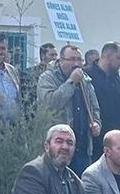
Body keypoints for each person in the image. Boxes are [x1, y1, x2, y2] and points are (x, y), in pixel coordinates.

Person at [38, 44, 101, 175]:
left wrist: (96, 123)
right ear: (61, 61)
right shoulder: (48, 78)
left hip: (82, 148)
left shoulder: (85, 80)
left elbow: (94, 108)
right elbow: (49, 104)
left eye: (79, 60)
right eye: (72, 59)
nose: (76, 64)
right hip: (59, 148)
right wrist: (71, 82)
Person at [85, 42, 120, 161]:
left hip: (113, 140)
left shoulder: (118, 81)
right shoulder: (87, 77)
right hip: (93, 139)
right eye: (119, 58)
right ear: (107, 56)